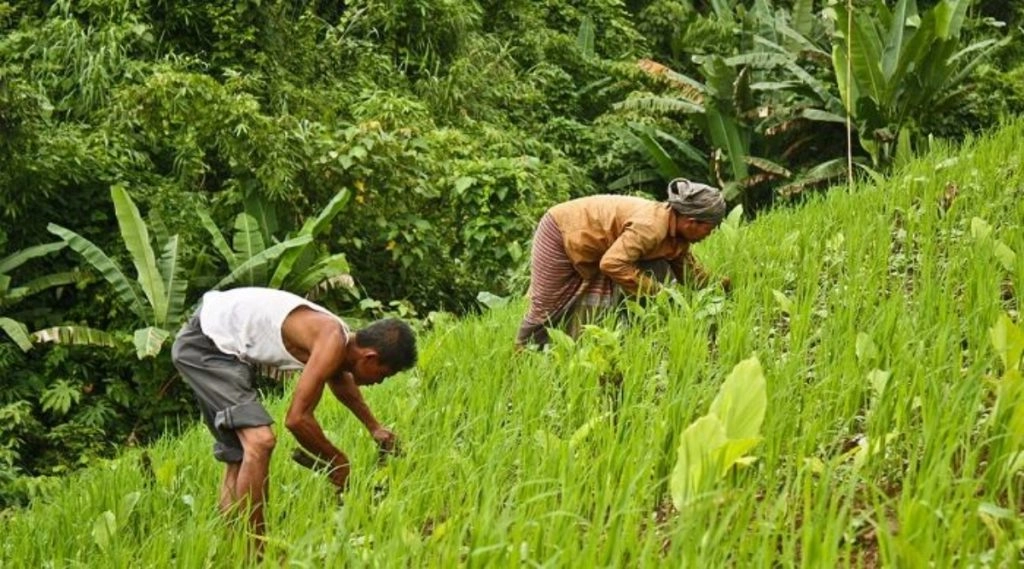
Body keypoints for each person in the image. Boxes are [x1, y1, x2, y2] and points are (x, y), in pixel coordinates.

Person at [171, 287, 417, 554]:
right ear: (370, 357)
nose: (379, 382)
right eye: (384, 374)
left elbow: (340, 379)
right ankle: (257, 553)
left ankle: (237, 550)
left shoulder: (338, 338)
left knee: (240, 456)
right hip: (209, 346)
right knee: (260, 442)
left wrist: (374, 427)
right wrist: (337, 461)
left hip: (214, 342)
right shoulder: (332, 339)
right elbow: (297, 419)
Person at [516, 178, 730, 348]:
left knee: (580, 306)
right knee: (547, 305)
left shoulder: (676, 236)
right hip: (559, 231)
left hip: (595, 241)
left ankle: (567, 349)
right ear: (692, 222)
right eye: (710, 228)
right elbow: (612, 264)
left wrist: (721, 286)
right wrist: (657, 292)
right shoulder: (652, 227)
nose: (710, 234)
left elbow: (688, 270)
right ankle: (520, 356)